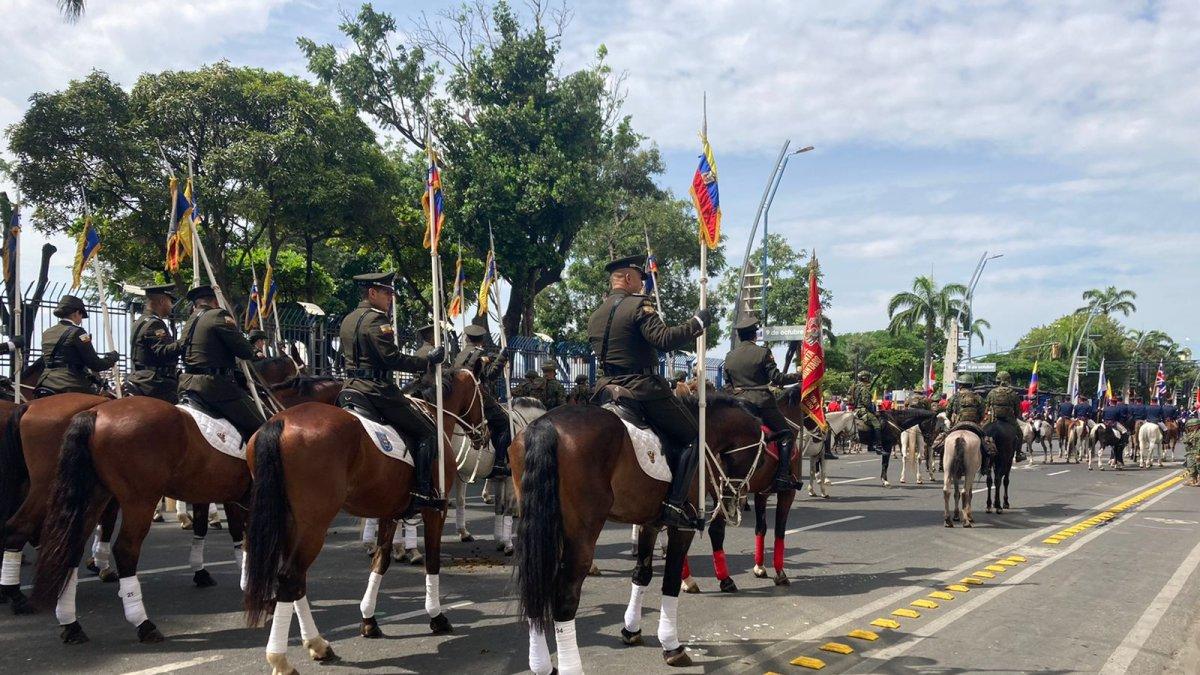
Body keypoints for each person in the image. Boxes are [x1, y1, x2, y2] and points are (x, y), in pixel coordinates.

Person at [587, 254, 709, 530]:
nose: (643, 283)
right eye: (640, 278)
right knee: (693, 438)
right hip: (641, 390)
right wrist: (697, 325)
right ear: (629, 278)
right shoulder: (639, 305)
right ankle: (676, 504)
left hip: (606, 391)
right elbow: (664, 340)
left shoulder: (596, 314)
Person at [338, 272, 446, 510]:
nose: (391, 298)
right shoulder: (376, 320)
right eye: (386, 293)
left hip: (350, 390)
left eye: (391, 293)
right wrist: (427, 360)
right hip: (376, 392)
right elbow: (391, 358)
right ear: (372, 293)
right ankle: (422, 492)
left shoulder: (347, 319)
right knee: (428, 434)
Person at [175, 285, 267, 440]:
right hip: (215, 386)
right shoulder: (218, 315)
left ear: (195, 304)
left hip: (187, 383)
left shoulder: (191, 320)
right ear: (216, 301)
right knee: (263, 430)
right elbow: (244, 351)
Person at [724, 316, 801, 492]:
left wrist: (738, 395)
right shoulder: (763, 353)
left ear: (740, 336)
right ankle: (782, 477)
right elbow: (778, 379)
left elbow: (728, 386)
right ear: (755, 335)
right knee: (786, 435)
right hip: (761, 403)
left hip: (739, 405)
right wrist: (799, 376)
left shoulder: (729, 356)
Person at [453, 321, 512, 478]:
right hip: (477, 399)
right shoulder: (478, 354)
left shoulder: (460, 354)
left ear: (467, 338)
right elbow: (490, 376)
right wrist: (502, 358)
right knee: (505, 423)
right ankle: (499, 463)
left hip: (459, 400)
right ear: (482, 340)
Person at [35, 294, 119, 396]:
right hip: (69, 383)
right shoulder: (80, 332)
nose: (81, 319)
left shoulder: (47, 332)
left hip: (45, 382)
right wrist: (111, 359)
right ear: (76, 313)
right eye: (81, 315)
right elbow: (94, 364)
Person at [125, 283, 184, 402]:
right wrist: (184, 342)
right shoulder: (154, 323)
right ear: (162, 301)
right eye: (170, 302)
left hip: (143, 377)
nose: (171, 306)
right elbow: (162, 351)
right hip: (155, 383)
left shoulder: (141, 321)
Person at [931, 374, 988, 457]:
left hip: (958, 424)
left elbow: (948, 413)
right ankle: (985, 468)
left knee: (940, 442)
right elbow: (982, 414)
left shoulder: (954, 397)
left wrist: (952, 422)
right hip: (974, 425)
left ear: (960, 385)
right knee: (987, 447)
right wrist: (978, 422)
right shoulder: (978, 397)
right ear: (971, 385)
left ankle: (940, 457)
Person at [985, 371, 1023, 453]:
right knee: (1020, 434)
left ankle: (983, 457)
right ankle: (1019, 453)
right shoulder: (1012, 393)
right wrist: (1014, 417)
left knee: (982, 432)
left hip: (993, 419)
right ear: (1008, 380)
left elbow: (987, 408)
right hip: (1009, 420)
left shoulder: (992, 392)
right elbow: (1017, 410)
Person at [847, 371, 881, 454]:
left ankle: (870, 445)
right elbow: (866, 403)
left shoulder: (853, 387)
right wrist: (874, 412)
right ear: (865, 378)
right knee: (877, 424)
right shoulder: (864, 388)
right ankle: (878, 446)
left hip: (855, 410)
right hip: (862, 411)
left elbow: (849, 399)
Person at [1183, 418, 1200, 486]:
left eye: (1190, 426)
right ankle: (1193, 479)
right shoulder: (1190, 433)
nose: (1189, 428)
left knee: (1199, 466)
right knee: (1190, 466)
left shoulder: (1198, 434)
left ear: (1196, 426)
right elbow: (1185, 441)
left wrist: (1199, 453)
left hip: (1197, 451)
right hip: (1191, 452)